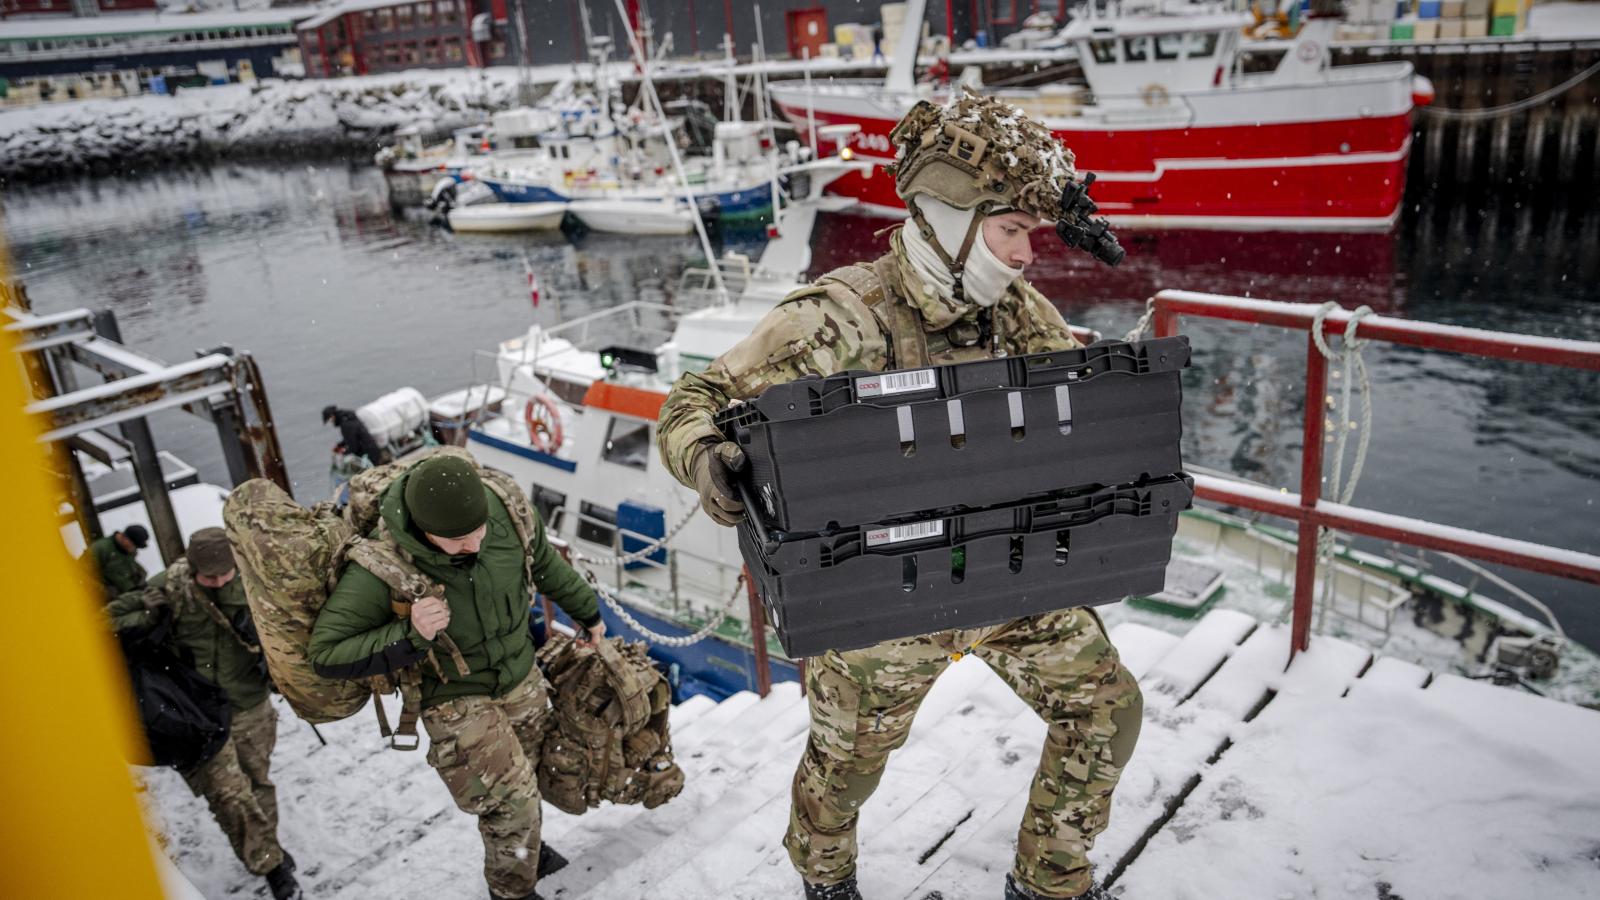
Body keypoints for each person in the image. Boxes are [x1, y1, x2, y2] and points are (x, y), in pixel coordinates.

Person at [655, 91, 1143, 900]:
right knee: (843, 776)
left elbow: (1074, 412)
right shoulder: (841, 318)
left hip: (1005, 574)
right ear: (949, 218)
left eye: (1033, 234)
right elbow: (691, 400)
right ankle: (826, 881)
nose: (1026, 256)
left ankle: (1050, 876)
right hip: (885, 592)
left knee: (1107, 709)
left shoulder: (1020, 316)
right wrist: (709, 460)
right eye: (1012, 229)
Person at [308, 454, 605, 900]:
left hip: (519, 673)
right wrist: (411, 633)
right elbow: (326, 654)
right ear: (425, 533)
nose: (476, 544)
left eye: (480, 530)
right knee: (511, 801)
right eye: (459, 540)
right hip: (453, 694)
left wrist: (588, 612)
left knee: (532, 773)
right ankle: (512, 893)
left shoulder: (504, 508)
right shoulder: (381, 565)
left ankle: (529, 849)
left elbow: (542, 562)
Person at [107, 527, 300, 900]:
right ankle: (269, 864)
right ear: (191, 565)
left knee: (256, 781)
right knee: (229, 796)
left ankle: (266, 845)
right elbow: (102, 622)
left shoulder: (255, 583)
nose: (217, 581)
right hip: (200, 715)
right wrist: (148, 614)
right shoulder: (170, 586)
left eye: (223, 574)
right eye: (207, 576)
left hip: (250, 703)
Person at [90, 524, 150, 597]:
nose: (134, 549)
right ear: (125, 538)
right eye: (134, 545)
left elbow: (127, 567)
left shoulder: (127, 550)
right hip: (103, 600)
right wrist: (105, 592)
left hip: (129, 594)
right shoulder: (99, 549)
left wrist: (140, 578)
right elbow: (79, 576)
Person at [321, 404, 387, 465]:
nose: (331, 422)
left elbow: (353, 447)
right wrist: (340, 445)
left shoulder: (345, 425)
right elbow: (351, 437)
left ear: (332, 416)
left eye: (329, 420)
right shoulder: (349, 418)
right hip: (372, 449)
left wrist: (342, 452)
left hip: (368, 455)